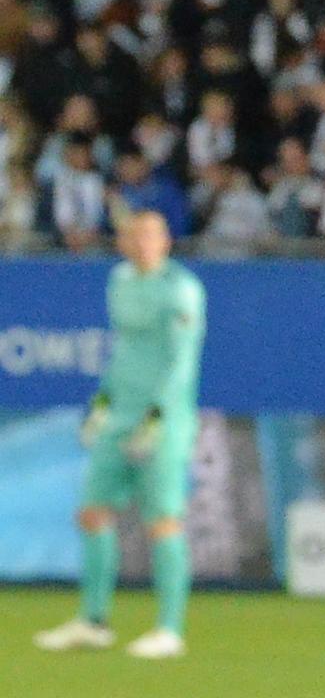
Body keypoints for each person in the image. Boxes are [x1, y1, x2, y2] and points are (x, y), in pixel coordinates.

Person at [35, 210, 205, 660]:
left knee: (162, 520)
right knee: (92, 513)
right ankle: (94, 621)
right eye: (136, 235)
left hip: (162, 420)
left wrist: (157, 416)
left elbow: (180, 362)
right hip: (119, 414)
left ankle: (169, 629)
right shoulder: (120, 282)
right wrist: (104, 404)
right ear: (124, 243)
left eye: (153, 234)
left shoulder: (182, 290)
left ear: (167, 241)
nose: (145, 243)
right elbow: (123, 351)